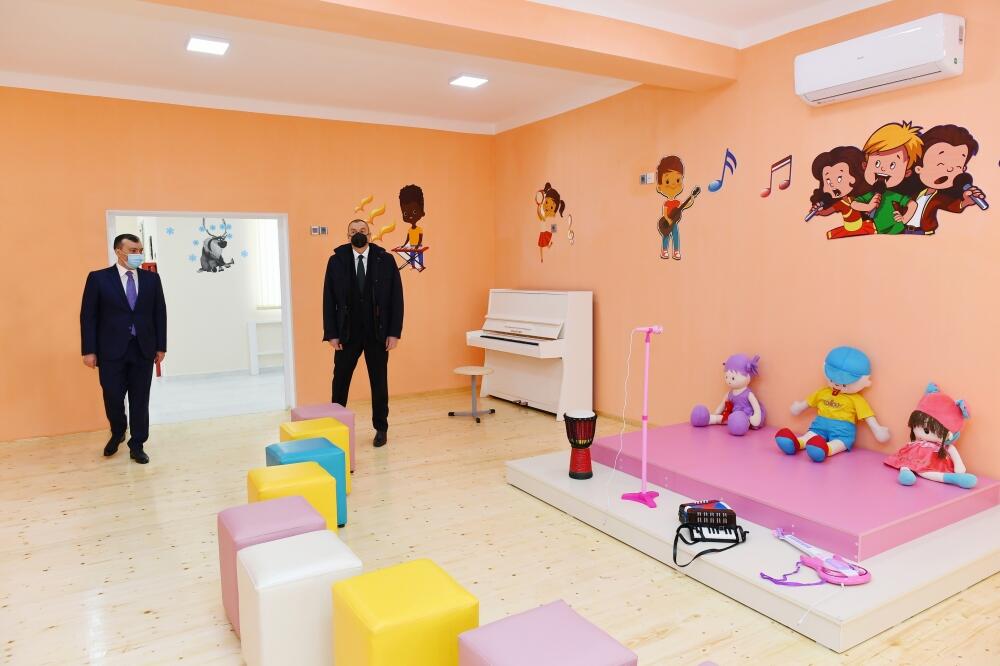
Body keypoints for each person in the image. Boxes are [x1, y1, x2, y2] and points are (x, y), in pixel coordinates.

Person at [80, 234, 167, 464]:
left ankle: (137, 444)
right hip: (110, 351)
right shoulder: (98, 279)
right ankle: (118, 431)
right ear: (119, 251)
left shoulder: (152, 280)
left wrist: (161, 346)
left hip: (143, 349)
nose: (138, 254)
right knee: (113, 397)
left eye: (140, 250)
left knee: (140, 399)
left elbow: (160, 313)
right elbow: (88, 317)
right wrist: (89, 350)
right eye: (133, 250)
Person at [323, 219, 403, 447]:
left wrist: (394, 333)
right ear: (347, 236)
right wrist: (332, 333)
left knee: (379, 382)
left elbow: (396, 299)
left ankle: (381, 428)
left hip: (378, 333)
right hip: (347, 334)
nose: (358, 234)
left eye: (362, 231)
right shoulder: (336, 261)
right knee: (340, 381)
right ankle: (336, 428)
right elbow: (328, 298)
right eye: (353, 231)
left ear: (370, 234)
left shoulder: (385, 260)